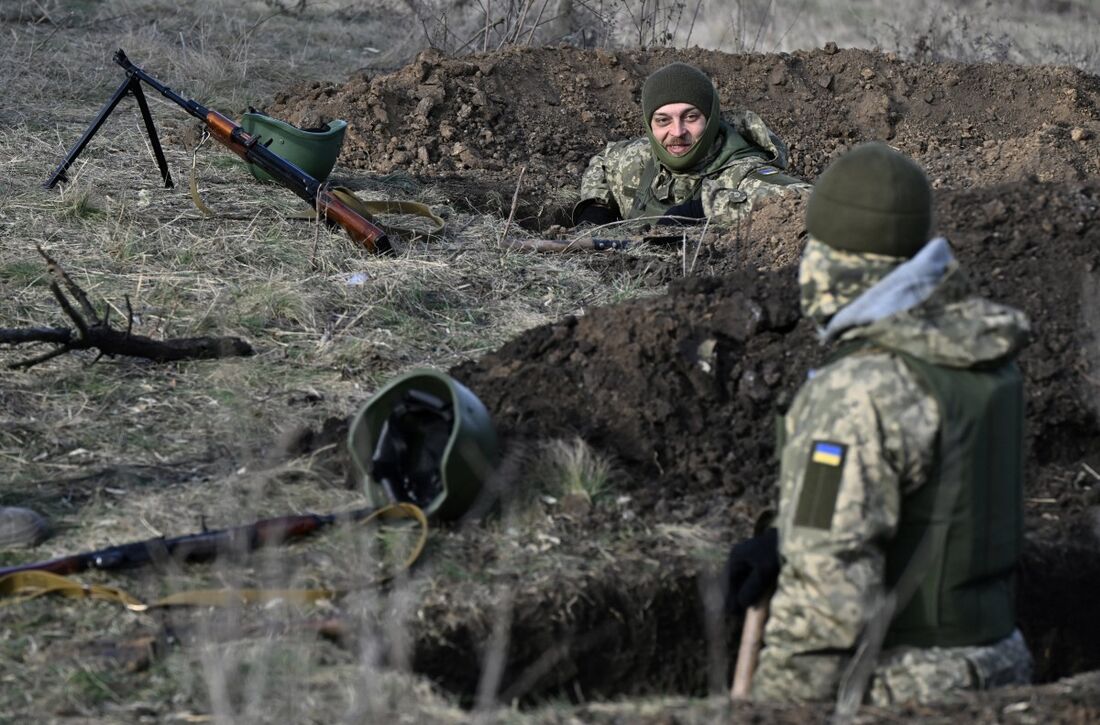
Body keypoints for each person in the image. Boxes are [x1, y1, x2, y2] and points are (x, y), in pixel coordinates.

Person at [725, 142, 1034, 705]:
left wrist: (775, 709)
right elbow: (938, 504)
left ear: (831, 252)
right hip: (1001, 664)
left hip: (902, 687)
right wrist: (794, 534)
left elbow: (826, 606)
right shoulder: (978, 353)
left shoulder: (859, 390)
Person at [572, 62, 810, 229]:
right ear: (649, 125)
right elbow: (604, 162)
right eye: (663, 120)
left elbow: (810, 201)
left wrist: (704, 209)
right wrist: (595, 208)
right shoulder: (638, 156)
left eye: (691, 117)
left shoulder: (742, 173)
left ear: (711, 118)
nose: (677, 132)